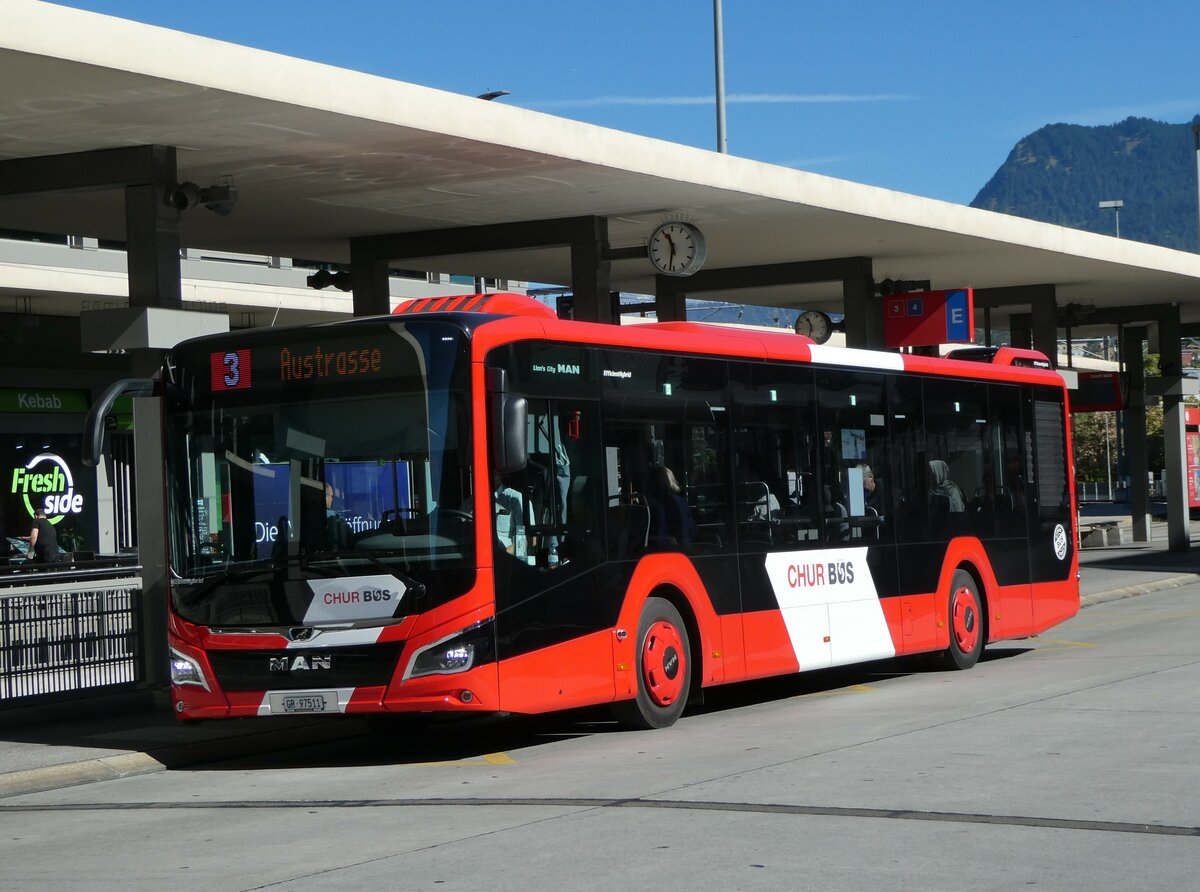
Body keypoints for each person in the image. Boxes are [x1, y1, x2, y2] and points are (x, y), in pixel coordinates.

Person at [493, 471, 526, 557]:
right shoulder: (469, 503)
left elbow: (530, 540)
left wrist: (503, 554)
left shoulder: (515, 499)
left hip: (507, 560)